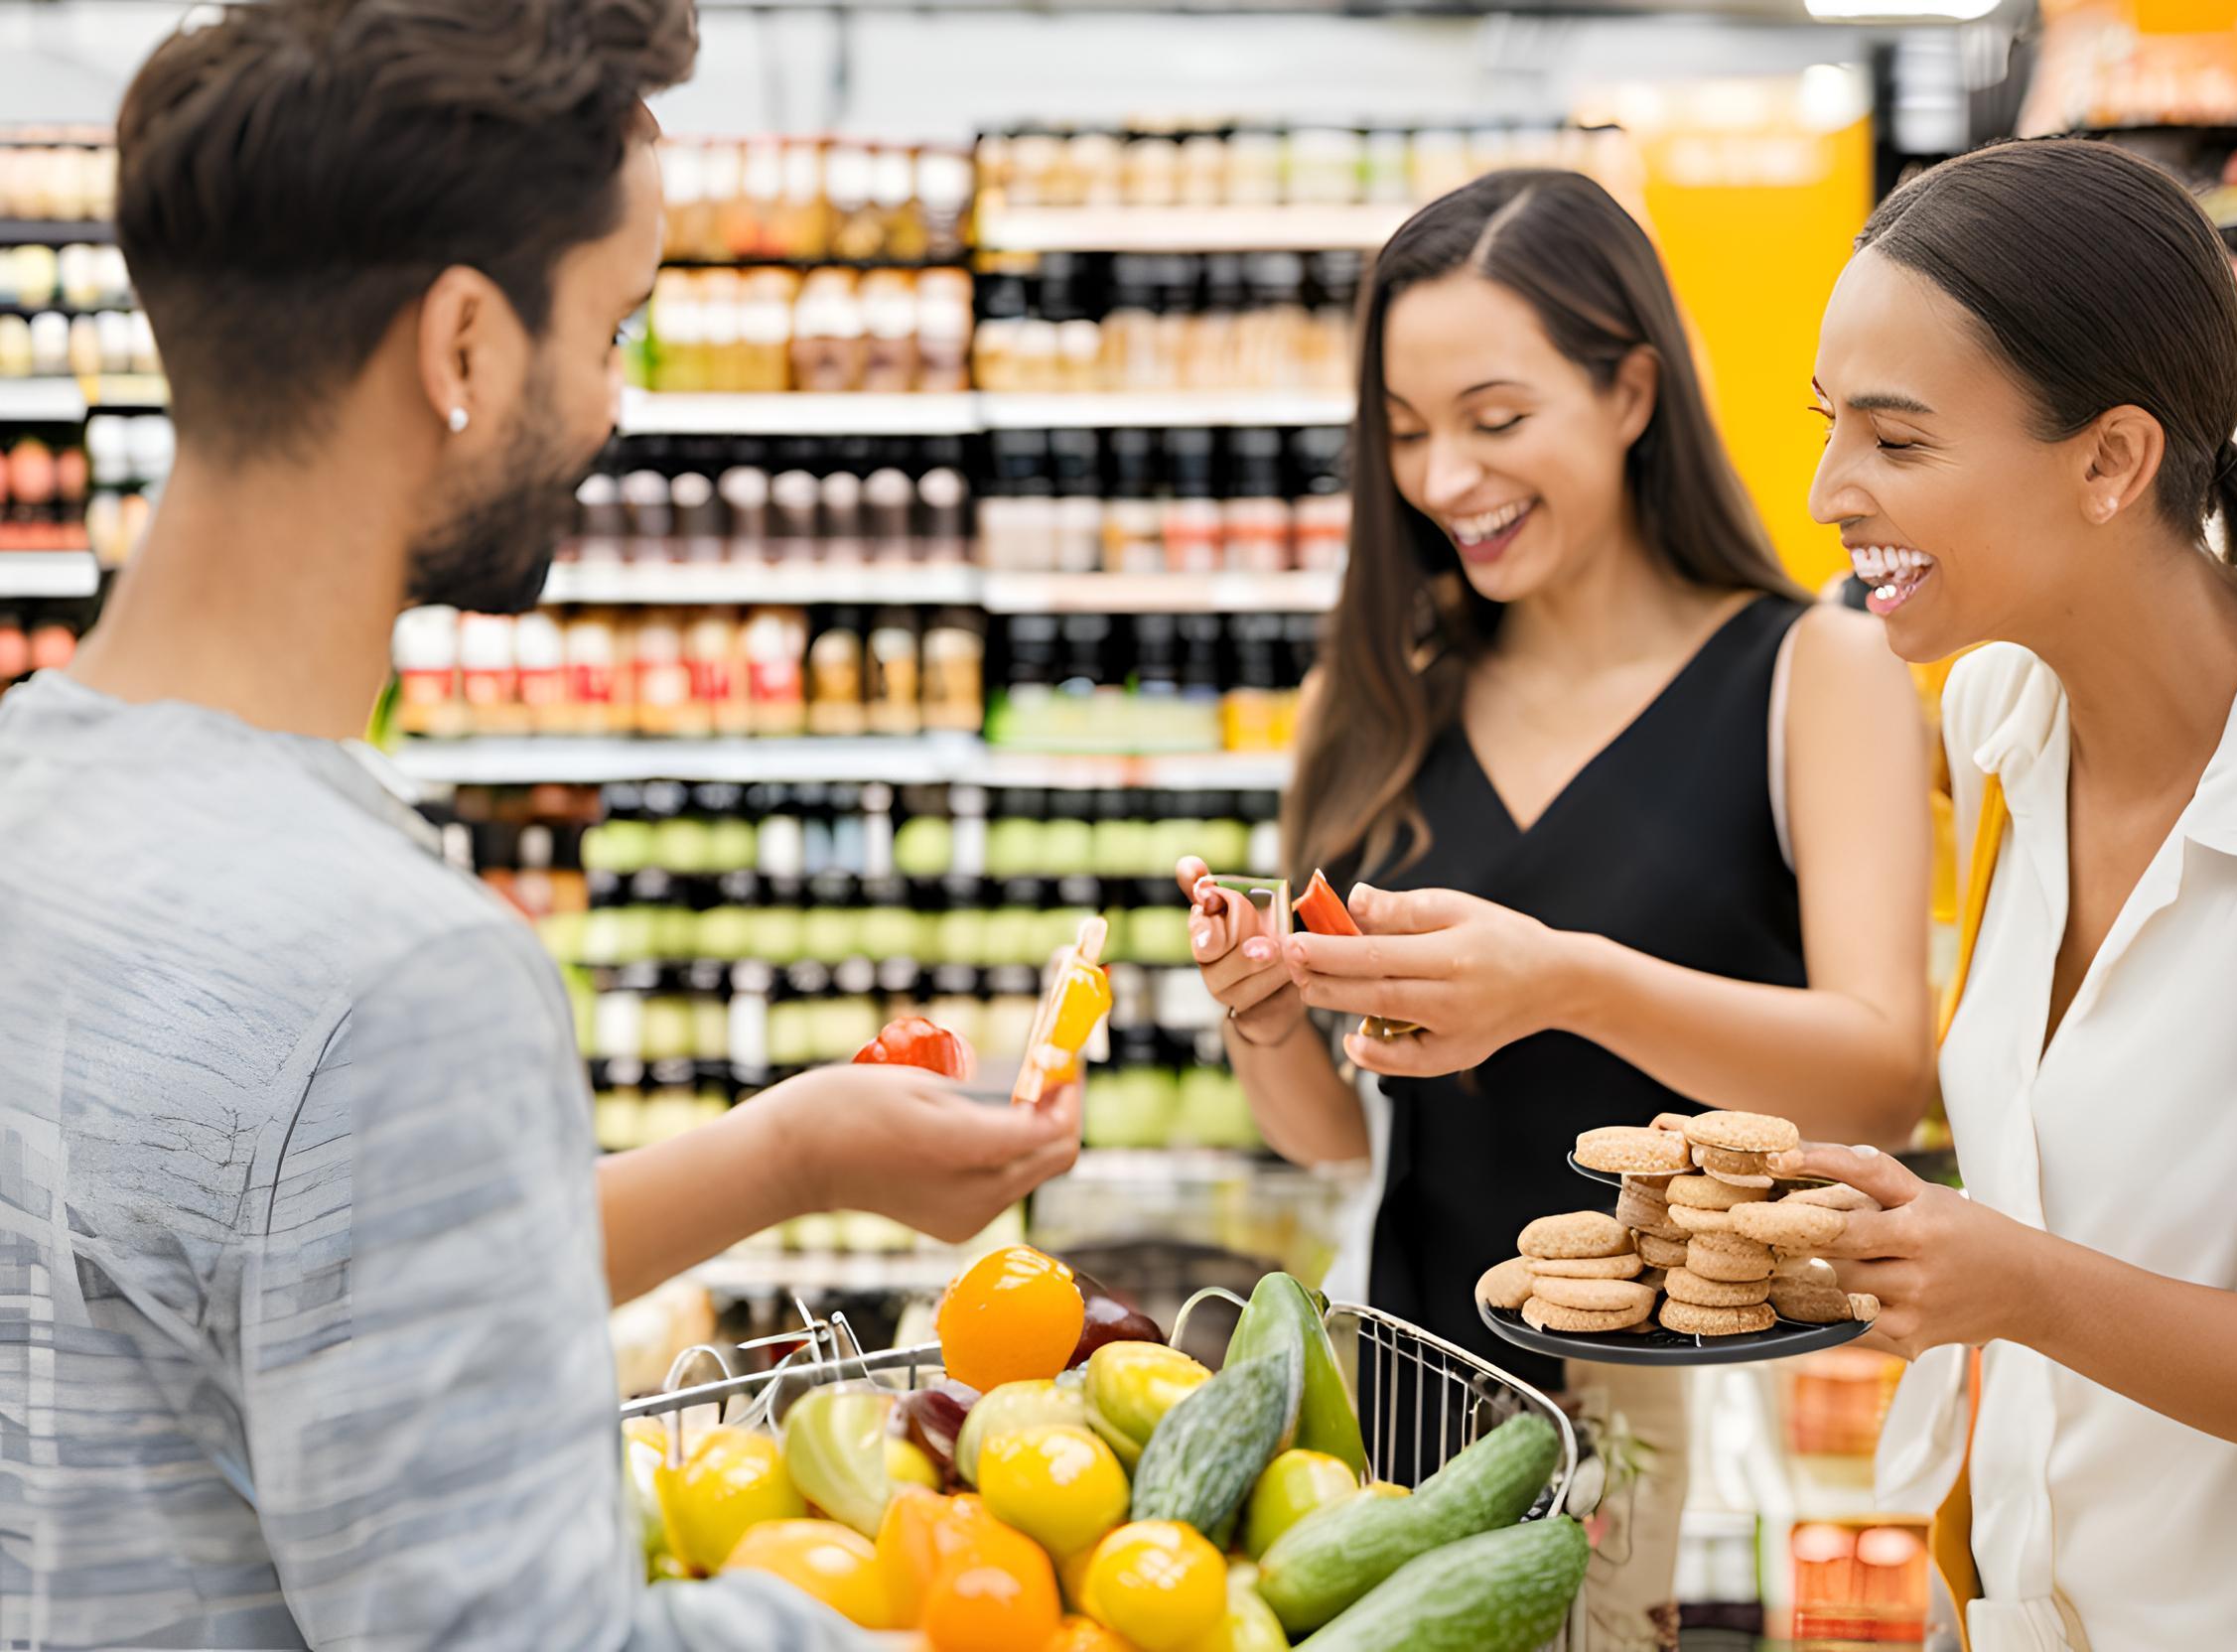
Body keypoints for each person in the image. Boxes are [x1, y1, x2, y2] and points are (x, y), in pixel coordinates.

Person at [0, 3, 1076, 1647]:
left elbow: (276, 1279)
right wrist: (1003, 1619)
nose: (614, 408)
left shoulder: (34, 790)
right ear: (465, 350)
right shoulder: (400, 973)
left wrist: (786, 1152)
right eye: (612, 327)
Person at [1176, 169, 1934, 1651]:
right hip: (1393, 1369)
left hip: (1690, 1410)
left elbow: (1885, 1078)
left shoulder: (1812, 674)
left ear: (1631, 390)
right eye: (1404, 435)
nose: (1446, 477)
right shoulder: (1373, 696)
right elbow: (1332, 1137)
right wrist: (1268, 1019)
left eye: (1496, 419)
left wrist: (1568, 982)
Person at [1794, 138, 2237, 1652]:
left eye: (1897, 440)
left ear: (2112, 461)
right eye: (1830, 427)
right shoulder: (2003, 729)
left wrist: (2018, 1286)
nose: (1828, 491)